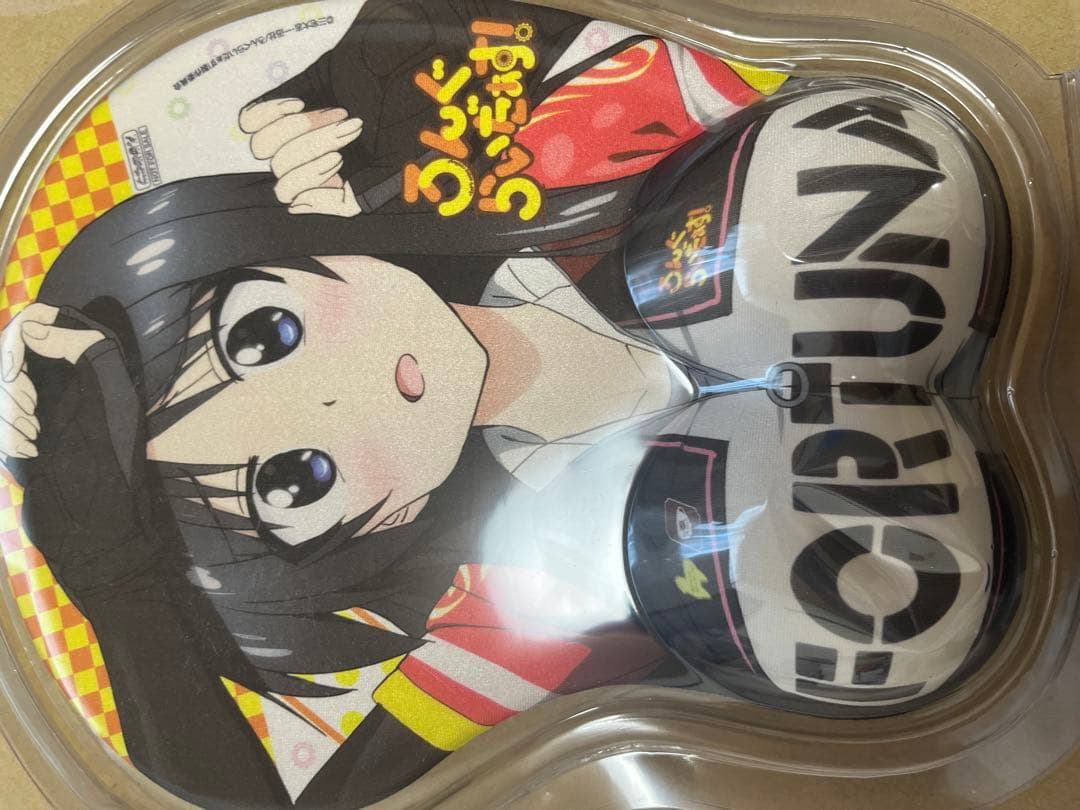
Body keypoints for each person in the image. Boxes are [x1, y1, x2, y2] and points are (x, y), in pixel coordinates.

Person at [0, 1, 1020, 807]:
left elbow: (765, 81)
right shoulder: (508, 611)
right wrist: (123, 593)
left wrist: (368, 79)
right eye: (296, 480)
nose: (345, 396)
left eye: (263, 335)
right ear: (363, 537)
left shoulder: (571, 153)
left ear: (269, 239)